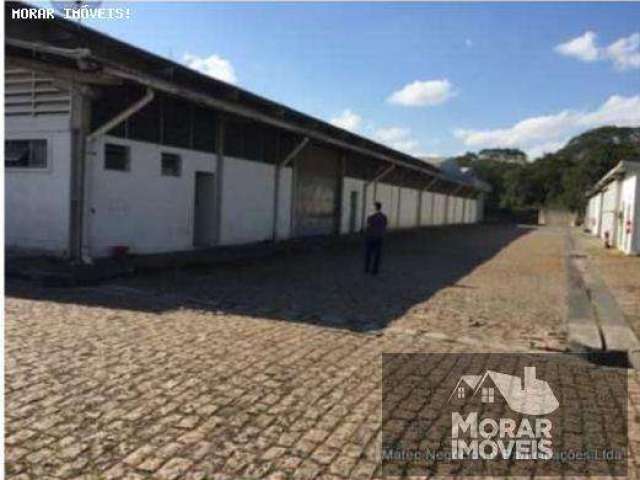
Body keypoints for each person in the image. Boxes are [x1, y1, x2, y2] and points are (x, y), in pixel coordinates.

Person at [364, 202, 388, 275]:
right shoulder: (384, 216)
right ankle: (375, 270)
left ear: (375, 207)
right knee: (377, 254)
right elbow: (384, 226)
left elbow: (368, 226)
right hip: (379, 237)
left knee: (368, 253)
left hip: (371, 237)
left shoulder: (371, 216)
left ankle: (367, 268)